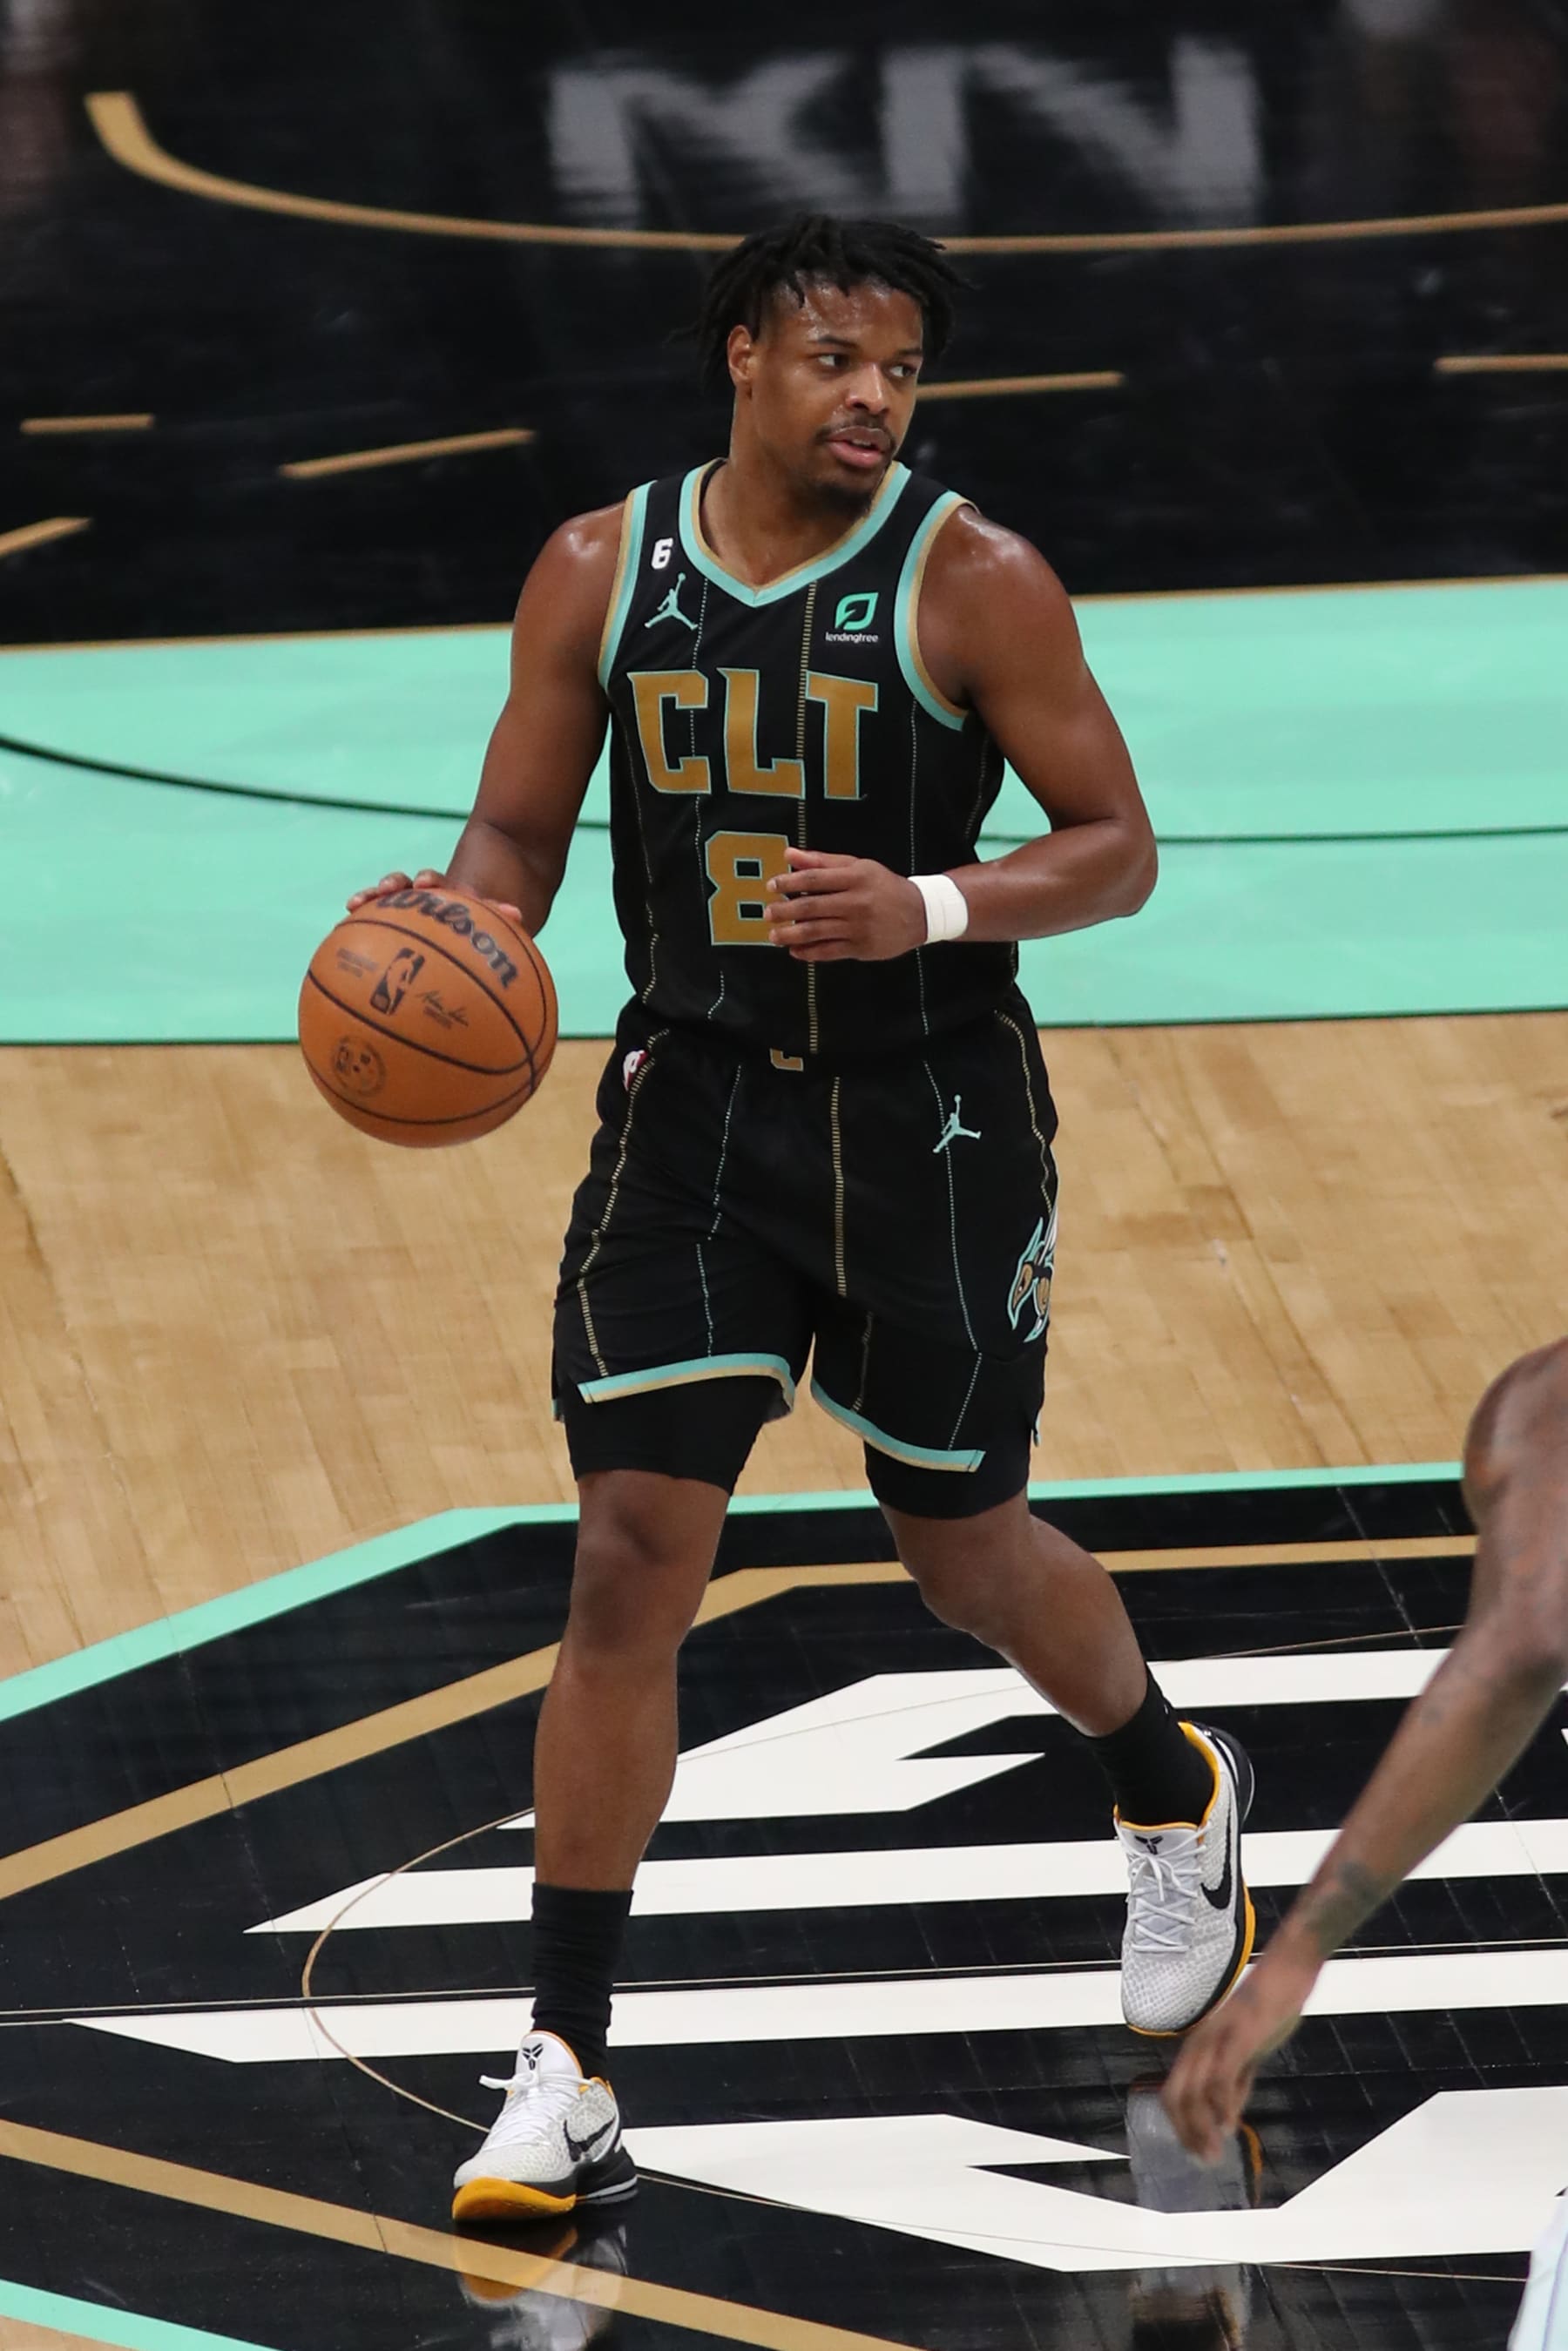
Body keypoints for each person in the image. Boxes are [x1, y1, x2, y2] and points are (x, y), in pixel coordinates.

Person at [348, 213, 1254, 2226]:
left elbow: (1117, 851)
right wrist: (466, 933)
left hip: (930, 1121)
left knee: (960, 1554)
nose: (872, 399)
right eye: (837, 358)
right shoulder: (601, 566)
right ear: (743, 352)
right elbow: (518, 820)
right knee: (626, 1558)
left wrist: (931, 899)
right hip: (693, 1109)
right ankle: (566, 2060)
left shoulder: (975, 580)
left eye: (903, 373)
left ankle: (1166, 1786)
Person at [1163, 1337, 1568, 2348]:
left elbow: (1520, 1650)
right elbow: (1516, 1656)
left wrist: (1299, 1949)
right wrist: (1299, 1946)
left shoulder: (1544, 1410)